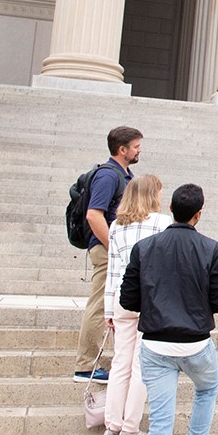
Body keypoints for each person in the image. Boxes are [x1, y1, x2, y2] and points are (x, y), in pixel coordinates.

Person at [120, 183, 218, 435]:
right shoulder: (211, 248)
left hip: (155, 344)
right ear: (199, 214)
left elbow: (128, 300)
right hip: (195, 343)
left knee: (161, 425)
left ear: (170, 208)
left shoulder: (144, 248)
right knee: (207, 390)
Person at [101, 175, 171, 435]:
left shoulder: (116, 225)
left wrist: (108, 308)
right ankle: (130, 427)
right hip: (150, 297)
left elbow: (112, 270)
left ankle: (112, 425)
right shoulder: (162, 223)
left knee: (120, 363)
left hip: (122, 297)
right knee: (142, 365)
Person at [75, 125, 142, 382]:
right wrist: (114, 248)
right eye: (135, 147)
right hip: (105, 250)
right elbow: (94, 215)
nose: (139, 151)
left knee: (111, 304)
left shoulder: (124, 175)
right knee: (100, 304)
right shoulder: (108, 176)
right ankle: (85, 366)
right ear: (122, 149)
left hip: (112, 248)